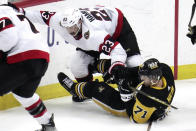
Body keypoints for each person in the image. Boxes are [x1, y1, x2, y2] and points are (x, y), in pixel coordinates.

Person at [10, 3, 143, 102]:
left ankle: (137, 89)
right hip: (97, 27)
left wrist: (117, 66)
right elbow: (39, 16)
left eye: (73, 26)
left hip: (117, 25)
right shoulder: (59, 20)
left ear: (80, 22)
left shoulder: (94, 34)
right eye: (67, 28)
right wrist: (18, 11)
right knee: (77, 64)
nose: (71, 31)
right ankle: (84, 91)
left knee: (133, 62)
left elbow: (117, 49)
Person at [57, 58, 176, 123]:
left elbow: (134, 117)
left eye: (143, 78)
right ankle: (94, 65)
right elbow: (137, 72)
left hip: (125, 106)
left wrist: (124, 92)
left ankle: (75, 90)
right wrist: (120, 74)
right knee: (119, 68)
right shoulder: (164, 70)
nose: (141, 78)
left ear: (153, 78)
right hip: (144, 96)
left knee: (95, 88)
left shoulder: (148, 98)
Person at [0, 4, 57, 131]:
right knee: (23, 94)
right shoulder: (14, 13)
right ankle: (48, 125)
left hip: (23, 57)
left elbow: (8, 37)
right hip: (41, 59)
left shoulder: (1, 11)